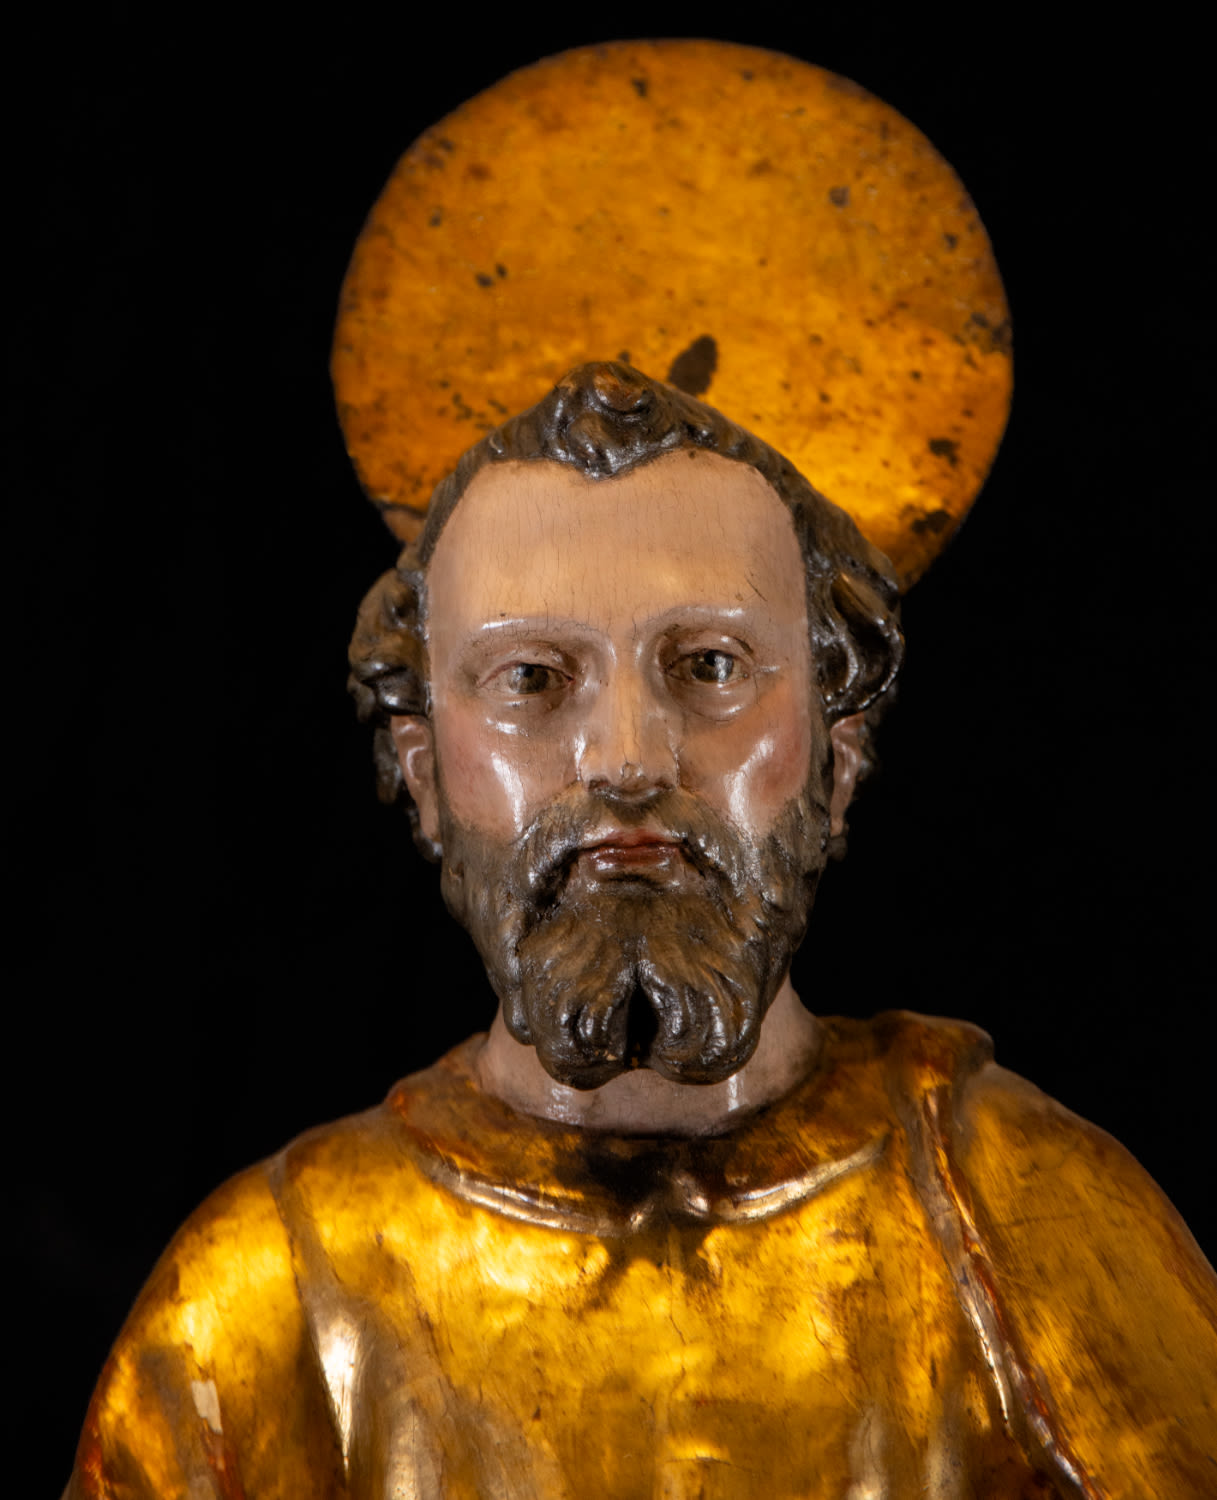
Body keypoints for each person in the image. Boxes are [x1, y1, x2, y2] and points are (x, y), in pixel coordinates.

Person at [64, 364, 1217, 1499]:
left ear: (839, 753)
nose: (624, 758)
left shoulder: (1024, 1216)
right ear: (421, 775)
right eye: (531, 679)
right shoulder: (261, 1302)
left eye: (707, 666)